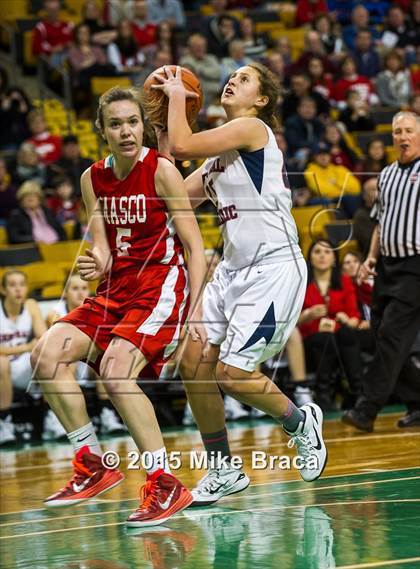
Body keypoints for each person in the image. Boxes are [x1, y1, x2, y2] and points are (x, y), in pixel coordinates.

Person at [31, 87, 207, 527]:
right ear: (102, 130)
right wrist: (96, 261)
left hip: (159, 283)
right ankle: (94, 462)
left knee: (114, 373)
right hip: (114, 288)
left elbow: (195, 246)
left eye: (132, 122)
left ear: (142, 126)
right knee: (45, 355)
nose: (126, 131)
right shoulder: (92, 179)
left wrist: (197, 311)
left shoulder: (160, 170)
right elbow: (104, 250)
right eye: (116, 124)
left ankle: (165, 482)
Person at [153, 63, 328, 506]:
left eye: (244, 79)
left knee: (233, 374)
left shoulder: (252, 129)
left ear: (262, 100)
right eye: (229, 75)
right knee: (192, 362)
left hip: (273, 269)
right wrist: (159, 133)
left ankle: (298, 421)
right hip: (232, 272)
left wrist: (176, 97)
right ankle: (223, 468)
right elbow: (172, 196)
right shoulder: (216, 157)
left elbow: (183, 143)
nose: (231, 80)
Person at [343, 111, 420, 431]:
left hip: (416, 267)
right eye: (396, 132)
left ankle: (366, 409)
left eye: (408, 131)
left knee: (391, 336)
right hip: (387, 266)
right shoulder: (386, 175)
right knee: (380, 335)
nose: (402, 137)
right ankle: (417, 403)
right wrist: (371, 258)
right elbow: (380, 221)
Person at [46, 273, 126, 436]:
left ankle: (107, 414)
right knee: (66, 364)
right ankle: (61, 419)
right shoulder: (54, 314)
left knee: (106, 361)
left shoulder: (96, 310)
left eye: (84, 288)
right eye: (75, 288)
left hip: (88, 362)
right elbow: (59, 348)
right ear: (65, 293)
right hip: (68, 362)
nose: (81, 293)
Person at [298, 240, 362, 411]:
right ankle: (323, 393)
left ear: (334, 258)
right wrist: (308, 315)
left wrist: (346, 319)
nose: (322, 255)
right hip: (311, 340)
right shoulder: (301, 284)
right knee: (325, 338)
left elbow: (354, 316)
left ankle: (357, 392)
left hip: (341, 337)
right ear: (309, 258)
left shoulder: (344, 281)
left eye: (327, 252)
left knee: (346, 334)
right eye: (317, 251)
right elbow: (293, 322)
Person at [0, 270, 47, 445]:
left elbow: (43, 339)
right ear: (4, 290)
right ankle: (4, 424)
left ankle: (51, 417)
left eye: (22, 285)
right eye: (12, 285)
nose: (18, 290)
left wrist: (13, 350)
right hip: (3, 369)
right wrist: (26, 347)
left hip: (21, 367)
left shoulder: (31, 305)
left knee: (47, 357)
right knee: (2, 363)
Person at [7, 181, 67, 245]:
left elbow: (61, 232)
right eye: (26, 195)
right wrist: (34, 241)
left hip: (57, 246)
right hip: (32, 249)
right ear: (21, 199)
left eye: (33, 195)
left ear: (39, 198)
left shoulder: (47, 212)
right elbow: (14, 238)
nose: (30, 198)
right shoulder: (16, 215)